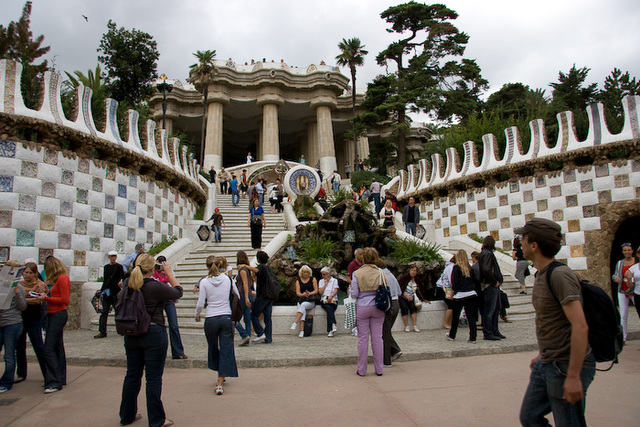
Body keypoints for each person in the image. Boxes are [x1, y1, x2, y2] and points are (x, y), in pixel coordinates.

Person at [516, 218, 595, 427]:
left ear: (534, 245)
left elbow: (580, 326)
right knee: (529, 416)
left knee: (568, 423)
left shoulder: (559, 275)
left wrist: (574, 376)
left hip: (565, 365)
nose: (519, 242)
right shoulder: (541, 274)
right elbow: (552, 321)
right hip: (548, 361)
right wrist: (543, 354)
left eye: (523, 237)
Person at [119, 253, 183, 427]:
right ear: (152, 269)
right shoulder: (154, 286)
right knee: (153, 378)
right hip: (153, 332)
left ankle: (127, 415)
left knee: (132, 375)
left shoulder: (128, 285)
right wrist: (170, 274)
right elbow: (178, 292)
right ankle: (156, 419)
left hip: (132, 333)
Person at [195, 256, 240, 395]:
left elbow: (201, 303)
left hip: (211, 318)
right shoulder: (227, 279)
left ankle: (219, 373)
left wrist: (197, 314)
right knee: (227, 348)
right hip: (226, 317)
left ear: (207, 266)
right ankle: (221, 379)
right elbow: (236, 295)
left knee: (213, 346)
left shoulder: (204, 282)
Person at [32, 256, 70, 394]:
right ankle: (60, 377)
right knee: (57, 346)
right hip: (55, 314)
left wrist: (45, 298)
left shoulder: (62, 278)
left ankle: (54, 381)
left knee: (48, 348)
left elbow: (65, 300)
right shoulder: (59, 279)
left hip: (58, 314)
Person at [350, 247, 387, 376]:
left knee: (362, 339)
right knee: (378, 338)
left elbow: (354, 294)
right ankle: (379, 369)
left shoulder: (357, 273)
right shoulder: (381, 272)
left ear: (363, 258)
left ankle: (362, 369)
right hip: (378, 306)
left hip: (362, 306)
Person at [15, 262, 47, 384]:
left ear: (35, 273)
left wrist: (24, 300)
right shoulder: (19, 285)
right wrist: (29, 299)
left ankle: (46, 373)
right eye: (25, 272)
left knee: (38, 346)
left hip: (34, 318)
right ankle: (21, 373)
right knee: (20, 346)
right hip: (21, 318)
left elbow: (38, 301)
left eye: (30, 273)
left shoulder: (40, 285)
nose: (27, 275)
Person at [153, 256, 188, 360]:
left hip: (168, 299)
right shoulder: (153, 273)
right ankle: (157, 351)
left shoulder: (168, 271)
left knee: (174, 325)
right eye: (159, 264)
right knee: (157, 325)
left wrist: (168, 274)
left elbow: (174, 285)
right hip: (158, 299)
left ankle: (178, 351)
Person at [0, 272, 26, 394]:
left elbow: (23, 307)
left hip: (12, 323)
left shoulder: (19, 287)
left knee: (9, 355)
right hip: (1, 322)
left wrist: (17, 294)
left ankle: (6, 382)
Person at [445, 250, 479, 343]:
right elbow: (474, 281)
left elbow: (454, 283)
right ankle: (473, 337)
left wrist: (453, 292)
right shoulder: (470, 268)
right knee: (471, 316)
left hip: (460, 295)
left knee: (455, 316)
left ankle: (452, 335)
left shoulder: (456, 268)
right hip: (471, 293)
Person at [376, 258, 403, 367]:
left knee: (384, 333)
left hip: (388, 304)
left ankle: (388, 358)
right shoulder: (390, 274)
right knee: (386, 331)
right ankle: (394, 351)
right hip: (396, 303)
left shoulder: (382, 275)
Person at [479, 236, 505, 341]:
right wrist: (494, 282)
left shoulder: (485, 253)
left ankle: (494, 330)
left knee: (495, 309)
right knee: (490, 310)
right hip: (490, 285)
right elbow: (486, 269)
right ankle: (488, 332)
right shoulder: (487, 253)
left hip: (491, 285)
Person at [95, 251, 125, 339]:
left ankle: (120, 329)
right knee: (104, 312)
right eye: (111, 256)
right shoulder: (106, 267)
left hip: (115, 291)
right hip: (107, 291)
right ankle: (102, 331)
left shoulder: (119, 267)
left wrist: (121, 282)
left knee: (118, 311)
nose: (113, 258)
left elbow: (123, 276)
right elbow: (106, 279)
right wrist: (101, 290)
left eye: (114, 256)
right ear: (109, 257)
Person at [612, 242, 637, 341]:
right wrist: (616, 279)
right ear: (622, 252)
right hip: (622, 291)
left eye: (629, 250)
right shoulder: (620, 263)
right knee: (623, 314)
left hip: (635, 291)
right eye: (625, 250)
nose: (627, 252)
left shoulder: (636, 262)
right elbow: (614, 275)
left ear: (632, 251)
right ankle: (623, 338)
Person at [252, 251, 274, 344]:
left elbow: (256, 271)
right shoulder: (268, 268)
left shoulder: (261, 267)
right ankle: (268, 337)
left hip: (263, 295)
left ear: (258, 259)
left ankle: (260, 333)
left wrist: (245, 266)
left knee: (253, 314)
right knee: (268, 317)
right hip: (270, 295)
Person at [290, 266, 318, 338]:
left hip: (310, 301)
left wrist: (309, 293)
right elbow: (297, 293)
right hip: (302, 299)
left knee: (303, 305)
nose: (305, 274)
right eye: (304, 272)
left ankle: (295, 322)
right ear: (301, 273)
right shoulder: (298, 281)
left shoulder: (313, 279)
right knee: (302, 308)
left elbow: (316, 290)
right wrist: (303, 295)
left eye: (307, 272)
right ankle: (302, 331)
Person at [234, 251, 255, 346]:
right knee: (247, 318)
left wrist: (246, 297)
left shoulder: (242, 270)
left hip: (243, 295)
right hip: (248, 295)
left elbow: (245, 283)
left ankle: (244, 334)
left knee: (234, 317)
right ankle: (247, 337)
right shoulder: (247, 269)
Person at [398, 266, 423, 332]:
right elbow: (400, 288)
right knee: (404, 308)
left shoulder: (417, 280)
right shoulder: (404, 278)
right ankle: (407, 325)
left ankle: (415, 325)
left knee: (413, 308)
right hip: (403, 296)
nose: (413, 272)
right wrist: (406, 295)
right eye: (412, 270)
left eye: (414, 270)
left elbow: (420, 290)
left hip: (412, 297)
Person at [318, 267, 339, 337]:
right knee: (329, 308)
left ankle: (330, 330)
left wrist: (331, 296)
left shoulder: (334, 280)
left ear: (328, 274)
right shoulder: (321, 281)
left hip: (333, 299)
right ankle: (333, 324)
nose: (323, 276)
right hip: (324, 300)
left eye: (324, 274)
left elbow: (336, 290)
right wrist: (325, 284)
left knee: (330, 309)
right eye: (322, 274)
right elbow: (320, 292)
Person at [436, 257, 455, 329]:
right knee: (451, 305)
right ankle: (446, 322)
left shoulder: (449, 266)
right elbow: (451, 280)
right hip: (444, 289)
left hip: (445, 288)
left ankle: (449, 322)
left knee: (452, 305)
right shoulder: (451, 267)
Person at [623, 246, 640, 322]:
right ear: (638, 255)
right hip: (638, 295)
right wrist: (629, 279)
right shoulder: (633, 268)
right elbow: (630, 285)